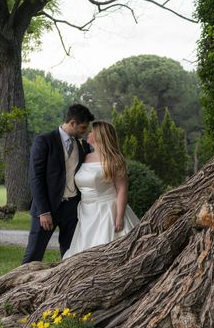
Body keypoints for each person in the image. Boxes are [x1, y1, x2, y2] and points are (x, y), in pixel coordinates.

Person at [22, 104, 95, 263]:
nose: (85, 131)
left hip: (72, 208)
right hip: (47, 208)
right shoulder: (44, 141)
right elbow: (36, 178)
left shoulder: (82, 145)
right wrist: (43, 211)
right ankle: (20, 285)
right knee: (34, 253)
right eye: (83, 127)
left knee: (70, 254)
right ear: (72, 123)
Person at [62, 120, 139, 259]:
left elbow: (122, 190)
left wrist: (119, 216)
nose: (88, 133)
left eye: (91, 131)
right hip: (86, 211)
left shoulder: (115, 160)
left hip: (107, 211)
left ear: (100, 135)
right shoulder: (85, 156)